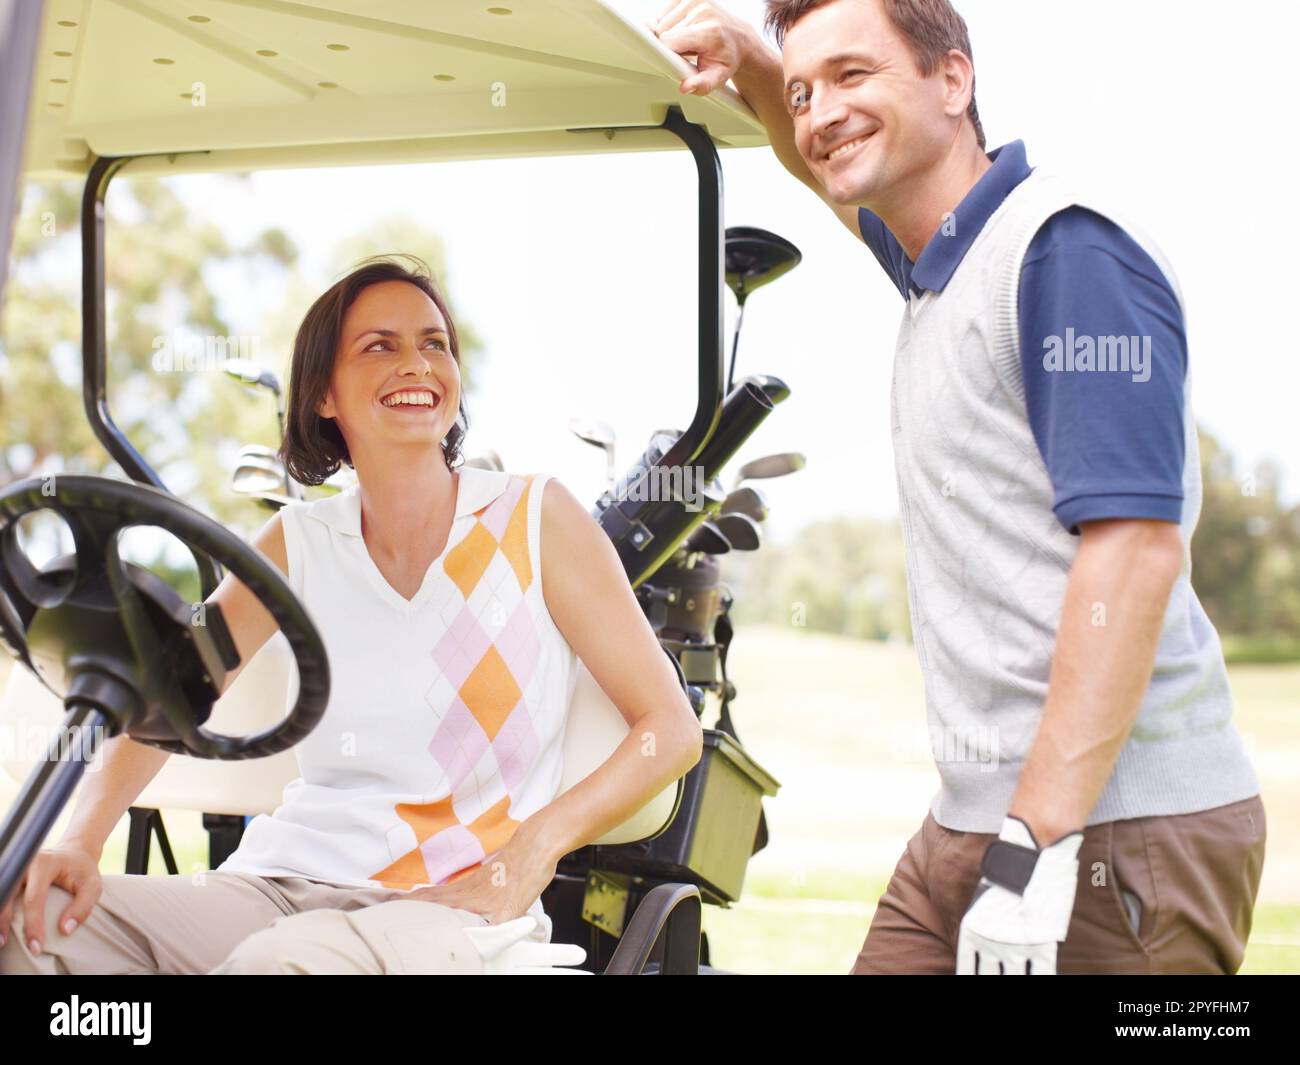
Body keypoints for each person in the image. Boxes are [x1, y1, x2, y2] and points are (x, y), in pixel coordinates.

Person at [655, 0, 1265, 974]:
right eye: (807, 90)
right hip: (974, 823)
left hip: (1114, 831)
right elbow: (815, 163)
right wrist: (749, 63)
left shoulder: (1065, 253)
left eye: (854, 74)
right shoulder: (938, 265)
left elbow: (1134, 549)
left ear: (952, 79)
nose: (820, 112)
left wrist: (1032, 847)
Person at [0, 255, 703, 975]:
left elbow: (671, 729)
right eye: (380, 346)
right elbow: (173, 692)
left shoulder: (533, 518)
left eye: (435, 343)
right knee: (31, 925)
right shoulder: (298, 542)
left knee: (279, 964)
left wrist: (534, 847)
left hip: (448, 912)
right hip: (276, 887)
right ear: (324, 396)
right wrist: (81, 840)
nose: (417, 364)